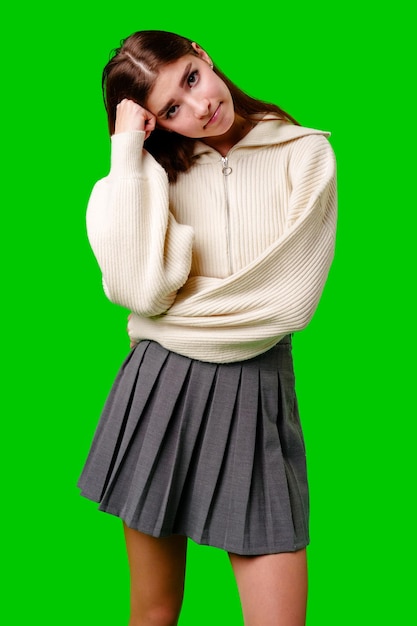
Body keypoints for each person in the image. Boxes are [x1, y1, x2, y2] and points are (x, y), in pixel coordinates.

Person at [78, 29, 337, 626]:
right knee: (154, 611)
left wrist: (167, 316)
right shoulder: (144, 176)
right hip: (158, 393)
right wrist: (127, 154)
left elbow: (287, 303)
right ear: (155, 122)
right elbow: (134, 288)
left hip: (256, 390)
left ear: (202, 54)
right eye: (170, 108)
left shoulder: (305, 154)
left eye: (191, 79)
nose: (198, 108)